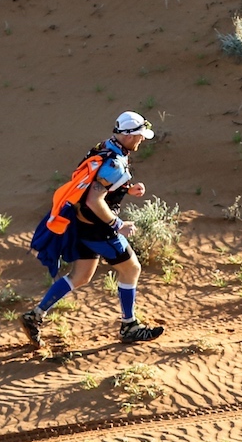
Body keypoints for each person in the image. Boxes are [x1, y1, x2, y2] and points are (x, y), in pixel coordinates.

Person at [22, 111, 165, 346]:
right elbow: (94, 200)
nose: (142, 140)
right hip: (99, 229)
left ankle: (34, 316)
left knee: (80, 276)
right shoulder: (114, 164)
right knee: (131, 269)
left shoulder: (104, 147)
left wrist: (125, 189)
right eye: (140, 136)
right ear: (130, 136)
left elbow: (92, 185)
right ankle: (129, 326)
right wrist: (118, 224)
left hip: (80, 224)